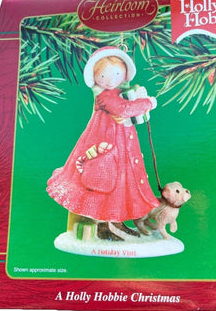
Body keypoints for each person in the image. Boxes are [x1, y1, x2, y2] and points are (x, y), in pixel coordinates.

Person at [46, 46, 160, 239]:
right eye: (103, 75)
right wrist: (148, 103)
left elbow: (126, 109)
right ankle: (101, 225)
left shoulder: (122, 91)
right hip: (105, 145)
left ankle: (116, 220)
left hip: (123, 145)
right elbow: (122, 109)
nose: (110, 80)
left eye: (116, 73)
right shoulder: (104, 95)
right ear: (95, 77)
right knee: (103, 181)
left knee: (122, 182)